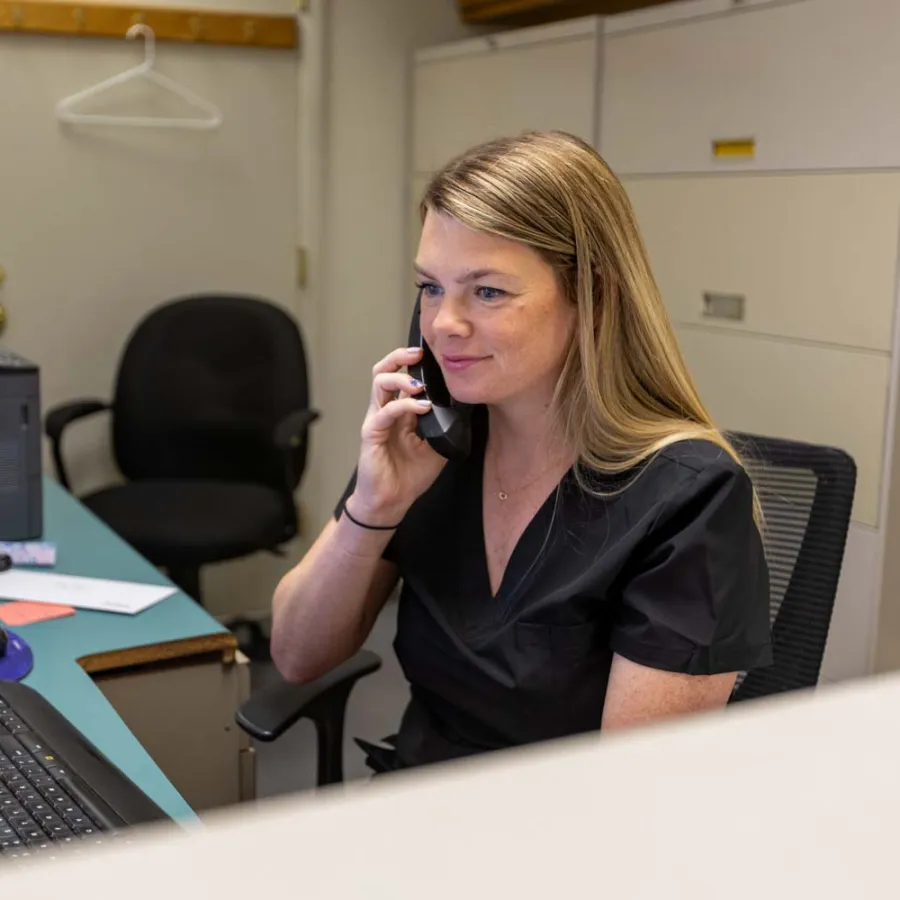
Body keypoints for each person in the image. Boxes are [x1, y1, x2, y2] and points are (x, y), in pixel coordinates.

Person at [271, 131, 773, 771]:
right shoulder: (432, 444)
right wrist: (375, 504)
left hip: (560, 844)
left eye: (487, 291)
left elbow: (637, 793)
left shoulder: (687, 498)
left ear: (592, 296)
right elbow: (295, 654)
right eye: (430, 288)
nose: (444, 323)